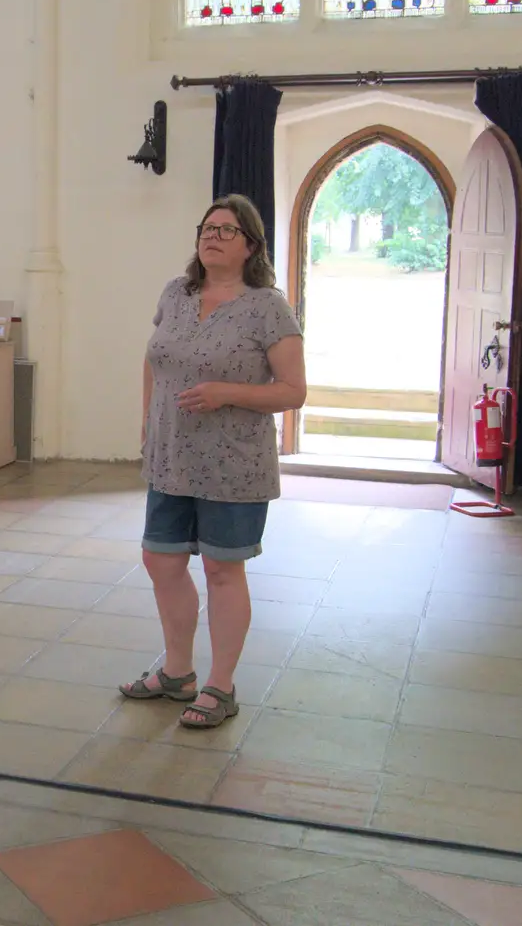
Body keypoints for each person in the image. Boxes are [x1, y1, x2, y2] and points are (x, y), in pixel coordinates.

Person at [119, 195, 306, 730]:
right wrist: (147, 423)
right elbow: (154, 360)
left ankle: (220, 686)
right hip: (172, 457)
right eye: (207, 228)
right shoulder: (176, 294)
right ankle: (177, 673)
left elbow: (293, 391)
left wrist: (227, 391)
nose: (214, 237)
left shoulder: (267, 306)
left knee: (223, 570)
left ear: (251, 245)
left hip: (234, 463)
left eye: (228, 230)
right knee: (161, 561)